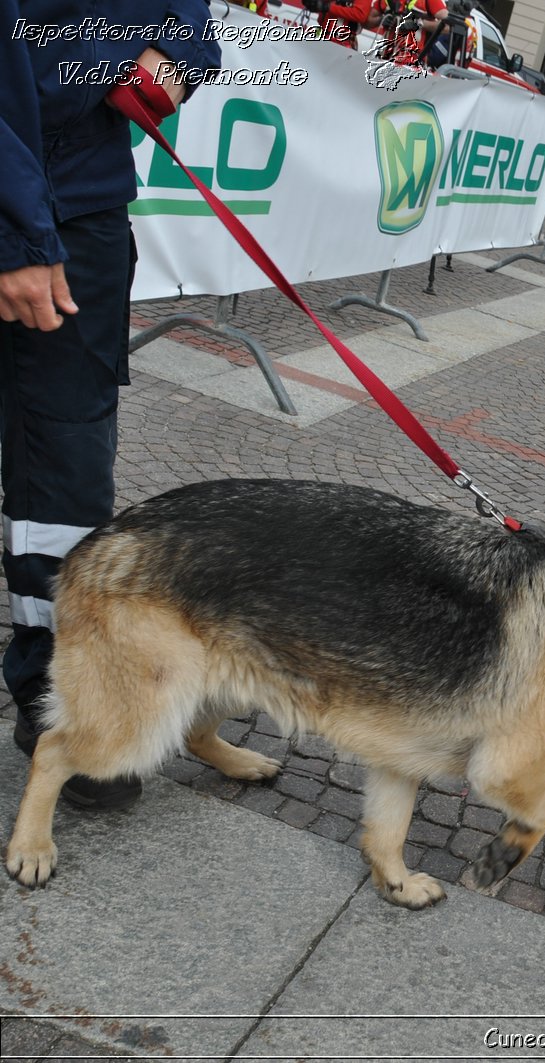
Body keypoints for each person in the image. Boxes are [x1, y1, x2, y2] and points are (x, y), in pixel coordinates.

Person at [0, 0, 221, 808]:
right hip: (22, 201)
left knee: (68, 470)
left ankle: (60, 689)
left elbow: (190, 25)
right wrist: (15, 235)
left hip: (85, 207)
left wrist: (179, 58)